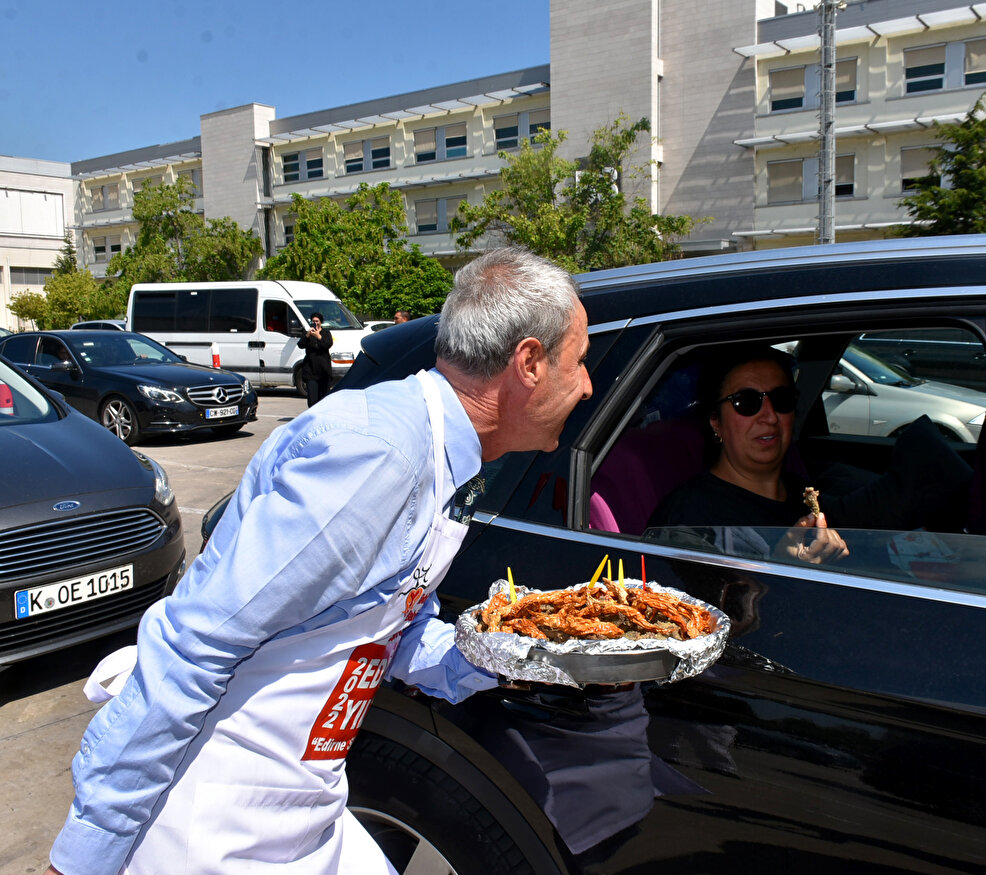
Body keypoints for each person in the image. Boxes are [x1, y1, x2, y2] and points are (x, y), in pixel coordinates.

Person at [44, 246, 593, 875]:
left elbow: (391, 631)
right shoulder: (379, 456)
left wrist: (530, 652)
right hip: (212, 812)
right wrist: (87, 853)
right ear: (528, 363)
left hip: (306, 800)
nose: (587, 384)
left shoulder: (444, 456)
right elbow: (196, 643)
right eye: (578, 362)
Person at [647, 345, 848, 564]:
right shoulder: (687, 522)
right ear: (716, 421)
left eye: (782, 399)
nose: (770, 417)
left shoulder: (804, 495)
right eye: (747, 402)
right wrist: (780, 570)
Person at [298, 311, 334, 407]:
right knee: (312, 399)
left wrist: (318, 336)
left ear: (321, 322)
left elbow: (327, 344)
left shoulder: (326, 333)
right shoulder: (308, 333)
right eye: (313, 321)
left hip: (323, 371)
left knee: (324, 398)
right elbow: (300, 345)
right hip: (311, 371)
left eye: (317, 321)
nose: (315, 323)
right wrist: (308, 335)